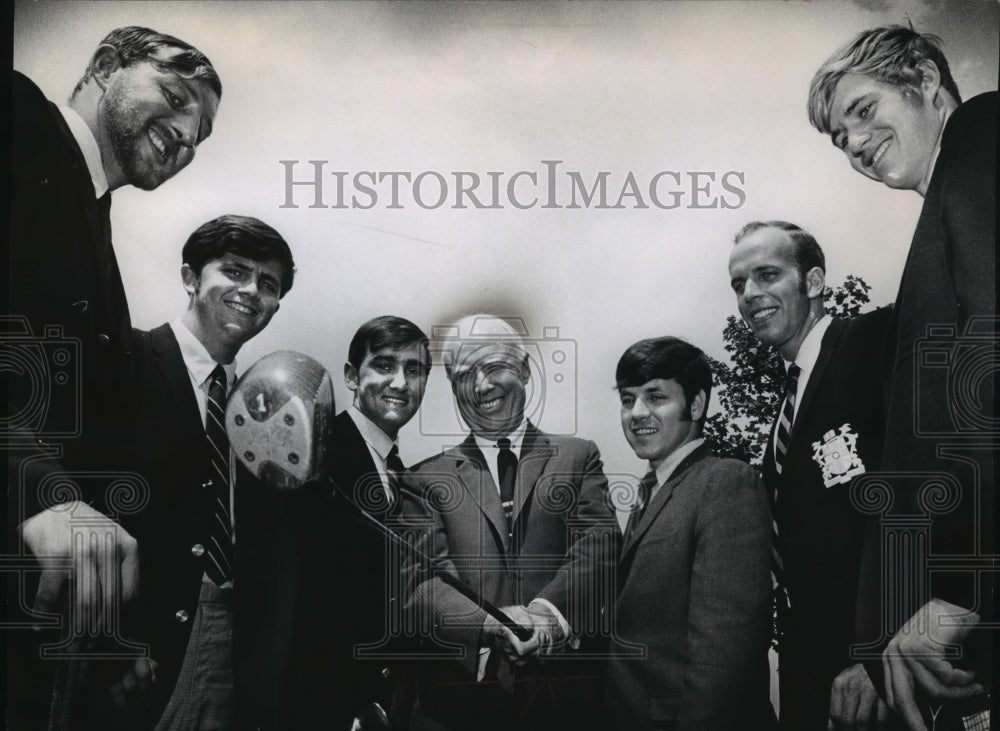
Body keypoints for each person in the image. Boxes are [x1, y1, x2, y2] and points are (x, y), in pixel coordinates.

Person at [7, 26, 222, 729]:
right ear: (105, 67)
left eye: (203, 132)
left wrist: (105, 643)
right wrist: (36, 489)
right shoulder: (19, 120)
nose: (187, 134)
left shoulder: (92, 222)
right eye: (175, 96)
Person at [808, 26, 995, 731]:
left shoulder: (983, 133)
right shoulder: (946, 196)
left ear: (922, 78)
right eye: (838, 136)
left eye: (862, 109)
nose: (853, 142)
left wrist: (963, 589)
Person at [108, 215, 297, 729]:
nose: (250, 291)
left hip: (233, 650)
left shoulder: (265, 408)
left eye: (267, 284)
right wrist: (109, 643)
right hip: (135, 651)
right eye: (234, 271)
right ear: (191, 277)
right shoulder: (124, 358)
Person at [400, 314, 617, 731]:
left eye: (495, 366)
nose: (482, 386)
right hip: (457, 710)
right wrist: (487, 626)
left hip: (567, 707)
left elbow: (599, 544)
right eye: (464, 375)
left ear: (524, 370)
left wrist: (546, 614)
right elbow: (421, 583)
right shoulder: (422, 479)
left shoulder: (578, 456)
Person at [728, 221, 892, 730]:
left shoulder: (873, 341)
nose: (750, 294)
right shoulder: (787, 403)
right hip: (813, 674)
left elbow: (920, 505)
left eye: (767, 275)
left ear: (814, 281)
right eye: (739, 284)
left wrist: (880, 657)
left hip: (877, 677)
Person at [605, 336, 776, 731]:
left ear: (695, 405)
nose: (637, 413)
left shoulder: (725, 482)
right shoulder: (651, 492)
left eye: (655, 397)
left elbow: (722, 656)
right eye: (628, 399)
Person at [286, 315, 431, 730]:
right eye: (384, 365)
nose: (401, 383)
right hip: (319, 704)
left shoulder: (401, 473)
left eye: (414, 370)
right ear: (352, 376)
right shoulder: (318, 448)